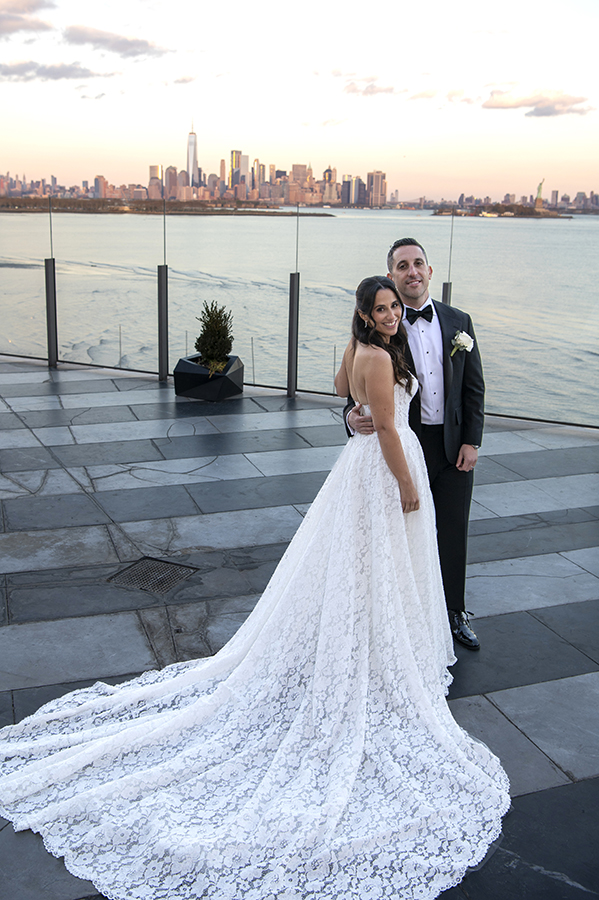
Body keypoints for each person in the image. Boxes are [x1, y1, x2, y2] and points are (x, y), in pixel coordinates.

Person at [0, 276, 509, 900]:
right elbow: (383, 429)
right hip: (382, 470)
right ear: (366, 313)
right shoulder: (377, 355)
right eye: (381, 309)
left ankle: (376, 640)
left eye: (395, 308)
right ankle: (376, 651)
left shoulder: (360, 350)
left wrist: (360, 413)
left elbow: (347, 403)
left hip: (360, 468)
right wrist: (405, 482)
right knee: (375, 565)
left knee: (364, 570)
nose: (392, 315)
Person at [347, 240, 484, 651]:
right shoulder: (384, 327)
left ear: (429, 269)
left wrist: (472, 442)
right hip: (406, 445)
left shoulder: (459, 321)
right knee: (405, 533)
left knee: (452, 529)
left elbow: (474, 389)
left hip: (453, 445)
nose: (412, 272)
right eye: (402, 266)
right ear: (391, 275)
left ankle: (454, 613)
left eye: (418, 263)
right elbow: (355, 389)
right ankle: (407, 615)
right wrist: (351, 417)